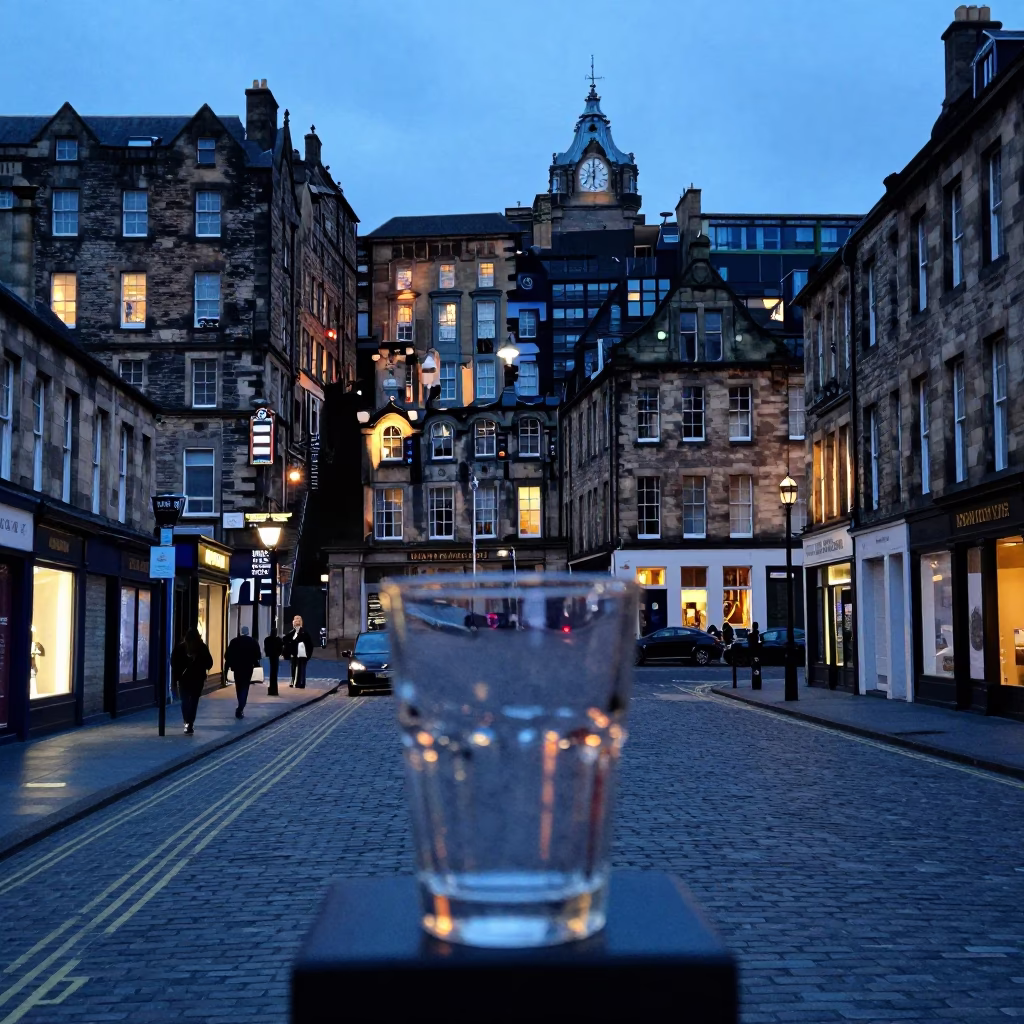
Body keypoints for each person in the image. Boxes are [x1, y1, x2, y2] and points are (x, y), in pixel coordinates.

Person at [171, 628, 213, 735]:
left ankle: (186, 722)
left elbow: (173, 663)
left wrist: (177, 675)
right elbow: (209, 663)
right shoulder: (202, 647)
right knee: (194, 702)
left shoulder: (180, 648)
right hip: (197, 679)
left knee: (184, 701)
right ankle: (190, 723)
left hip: (183, 679)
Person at [225, 626, 262, 719]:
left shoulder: (234, 641)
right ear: (248, 632)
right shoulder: (253, 642)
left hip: (237, 668)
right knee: (245, 686)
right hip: (248, 668)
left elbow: (227, 655)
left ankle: (240, 705)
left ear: (240, 632)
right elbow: (258, 655)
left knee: (238, 686)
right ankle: (241, 706)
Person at [284, 615, 313, 689]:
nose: (295, 624)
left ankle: (300, 683)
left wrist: (308, 654)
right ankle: (294, 681)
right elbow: (286, 640)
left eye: (297, 622)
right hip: (294, 653)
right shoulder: (292, 632)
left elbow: (309, 644)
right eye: (295, 622)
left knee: (301, 668)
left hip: (302, 654)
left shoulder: (304, 632)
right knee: (293, 668)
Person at [263, 628, 283, 693]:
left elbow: (266, 648)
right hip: (275, 656)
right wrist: (278, 654)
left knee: (272, 672)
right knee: (274, 672)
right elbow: (281, 648)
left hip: (271, 656)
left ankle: (272, 688)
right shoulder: (278, 640)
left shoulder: (267, 639)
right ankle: (274, 689)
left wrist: (268, 653)